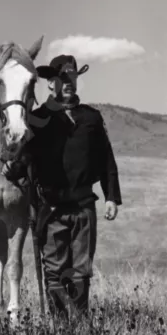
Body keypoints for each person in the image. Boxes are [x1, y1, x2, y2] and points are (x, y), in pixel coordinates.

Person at [28, 54, 122, 318]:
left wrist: (111, 197)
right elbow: (25, 162)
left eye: (72, 77)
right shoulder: (38, 119)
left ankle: (79, 330)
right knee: (55, 272)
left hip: (83, 208)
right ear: (50, 83)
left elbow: (106, 159)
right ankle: (59, 331)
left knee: (80, 272)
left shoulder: (92, 118)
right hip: (52, 209)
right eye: (61, 78)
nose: (68, 82)